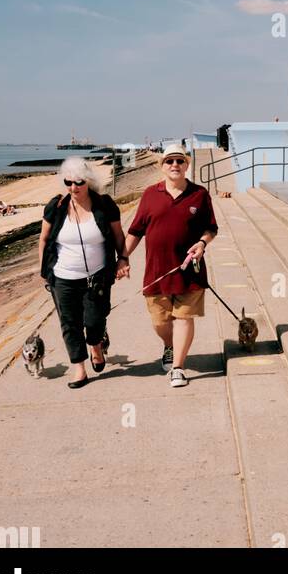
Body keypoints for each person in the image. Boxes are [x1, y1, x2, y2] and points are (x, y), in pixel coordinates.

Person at [123, 142, 218, 389]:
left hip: (190, 272)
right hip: (156, 271)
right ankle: (169, 345)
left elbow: (211, 228)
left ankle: (178, 367)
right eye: (169, 161)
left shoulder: (200, 194)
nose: (174, 165)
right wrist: (122, 259)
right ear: (161, 166)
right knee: (160, 322)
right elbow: (135, 231)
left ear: (187, 165)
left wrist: (202, 243)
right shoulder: (150, 194)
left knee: (184, 318)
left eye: (179, 161)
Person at [38, 157, 128, 389]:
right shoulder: (56, 207)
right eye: (68, 182)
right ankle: (79, 367)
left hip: (97, 276)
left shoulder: (104, 205)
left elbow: (118, 236)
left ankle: (96, 344)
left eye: (78, 182)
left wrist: (123, 259)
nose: (73, 188)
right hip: (63, 277)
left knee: (95, 319)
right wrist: (45, 272)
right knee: (70, 323)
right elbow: (44, 239)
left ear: (88, 181)